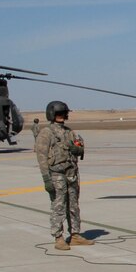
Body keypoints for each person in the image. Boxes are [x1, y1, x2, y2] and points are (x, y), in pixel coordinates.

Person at [35, 100, 94, 250]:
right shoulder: (45, 133)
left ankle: (75, 235)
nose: (61, 116)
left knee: (73, 205)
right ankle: (58, 237)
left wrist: (77, 150)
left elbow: (80, 148)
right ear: (52, 114)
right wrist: (46, 178)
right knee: (58, 205)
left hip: (71, 173)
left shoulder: (70, 132)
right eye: (58, 113)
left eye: (63, 113)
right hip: (56, 174)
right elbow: (41, 157)